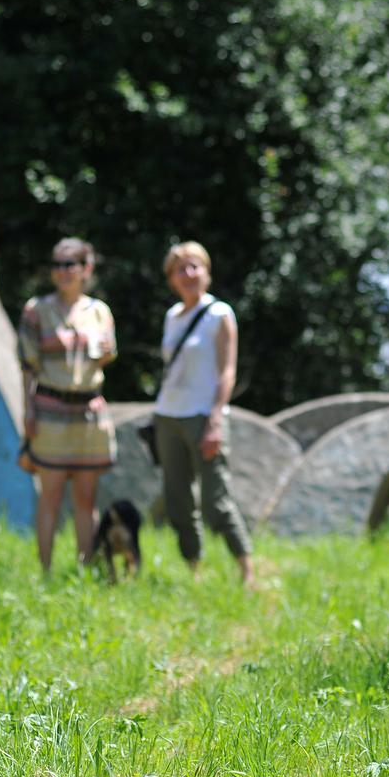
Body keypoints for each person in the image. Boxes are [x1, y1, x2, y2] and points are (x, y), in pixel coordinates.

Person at [153, 241, 255, 587]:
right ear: (171, 278)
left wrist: (215, 419)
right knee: (177, 499)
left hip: (203, 416)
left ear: (207, 272)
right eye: (181, 268)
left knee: (215, 500)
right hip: (168, 415)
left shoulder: (219, 314)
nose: (189, 274)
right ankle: (194, 570)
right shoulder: (171, 316)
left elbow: (227, 370)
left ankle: (247, 570)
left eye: (195, 266)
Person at [17, 237, 118, 573]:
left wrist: (104, 354)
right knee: (51, 497)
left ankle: (84, 570)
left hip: (89, 413)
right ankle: (44, 572)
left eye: (70, 264)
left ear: (86, 269)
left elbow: (105, 358)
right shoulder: (37, 309)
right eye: (57, 265)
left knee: (86, 499)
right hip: (50, 411)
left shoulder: (100, 311)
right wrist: (27, 411)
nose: (62, 272)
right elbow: (27, 365)